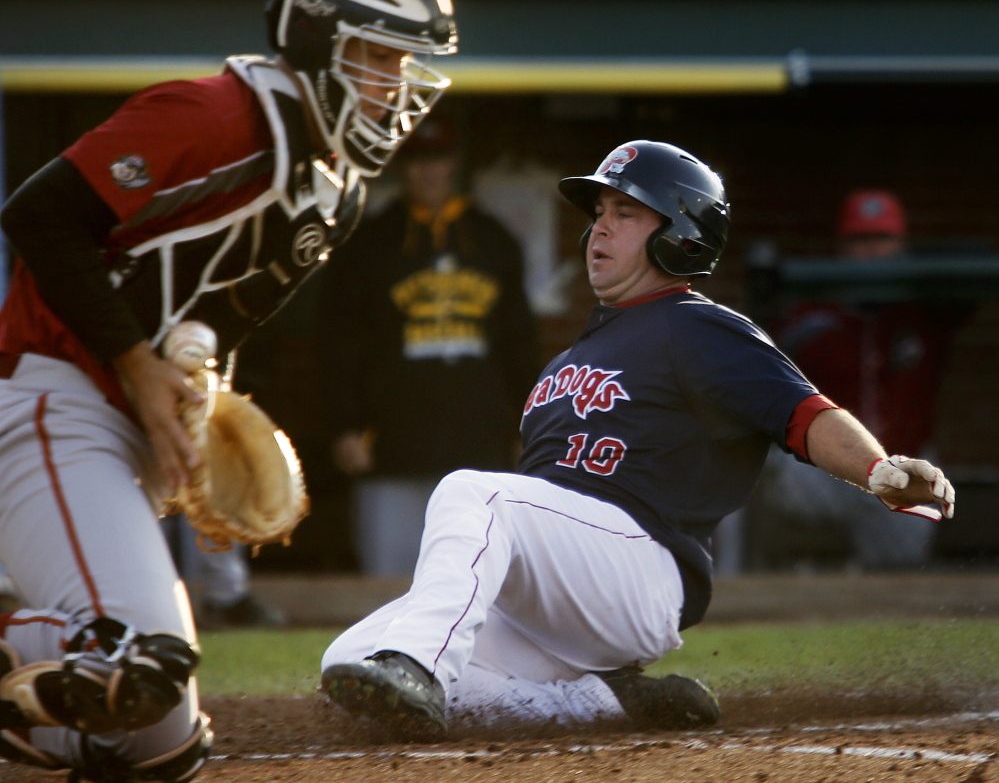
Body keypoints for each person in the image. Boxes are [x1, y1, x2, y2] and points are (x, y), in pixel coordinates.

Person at [318, 142, 954, 741]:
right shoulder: (569, 357)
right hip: (556, 585)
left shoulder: (697, 325)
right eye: (599, 213)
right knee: (346, 664)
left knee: (470, 493)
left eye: (625, 213)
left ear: (679, 233)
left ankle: (420, 664)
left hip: (641, 568)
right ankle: (594, 703)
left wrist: (876, 468)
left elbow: (804, 413)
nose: (599, 228)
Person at [0, 0, 457, 778]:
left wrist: (197, 397)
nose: (396, 86)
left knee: (161, 736)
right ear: (318, 38)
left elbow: (218, 313)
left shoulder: (336, 194)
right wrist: (138, 366)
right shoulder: (212, 115)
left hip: (115, 421)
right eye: (381, 57)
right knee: (137, 663)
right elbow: (39, 216)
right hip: (48, 392)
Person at [318, 114, 541, 577]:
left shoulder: (495, 241)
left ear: (456, 162)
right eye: (417, 159)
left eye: (439, 157)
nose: (429, 170)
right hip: (391, 446)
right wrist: (345, 424)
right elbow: (340, 343)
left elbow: (520, 343)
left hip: (480, 445)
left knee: (477, 574)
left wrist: (528, 427)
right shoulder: (368, 245)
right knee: (390, 580)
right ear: (400, 166)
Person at [752, 189, 967, 569]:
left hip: (903, 468)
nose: (872, 250)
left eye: (883, 239)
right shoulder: (813, 315)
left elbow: (971, 261)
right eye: (860, 240)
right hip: (825, 469)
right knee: (756, 466)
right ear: (842, 247)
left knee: (898, 569)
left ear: (903, 246)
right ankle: (766, 575)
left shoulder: (927, 309)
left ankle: (845, 569)